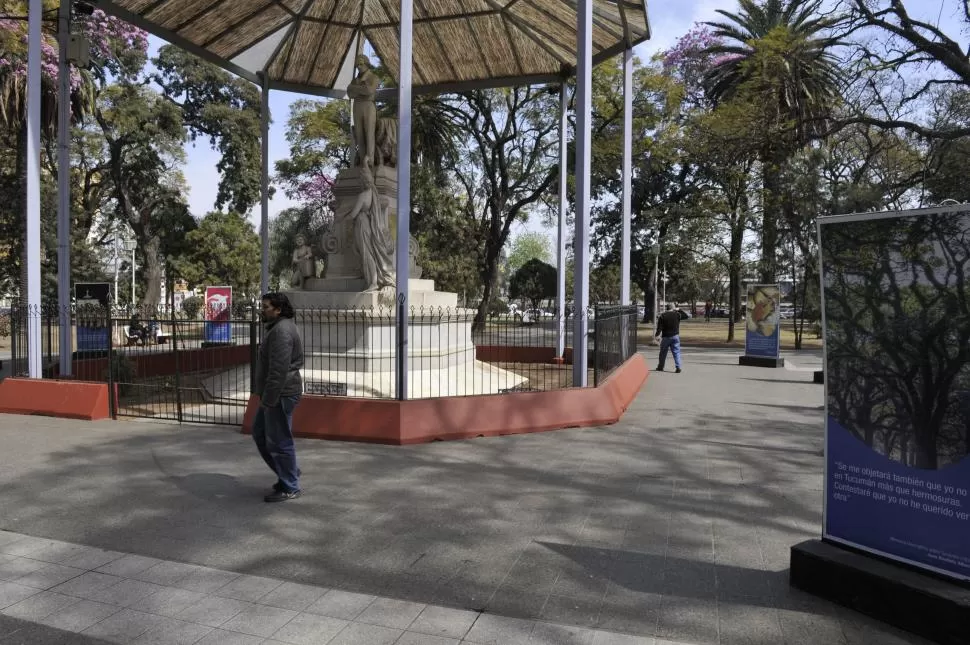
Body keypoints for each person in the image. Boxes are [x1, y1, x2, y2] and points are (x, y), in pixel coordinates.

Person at [252, 292, 305, 502]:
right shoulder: (277, 328)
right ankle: (288, 473)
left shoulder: (282, 331)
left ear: (278, 309)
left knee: (279, 440)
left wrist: (268, 399)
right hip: (275, 394)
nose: (262, 310)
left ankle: (290, 485)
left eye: (265, 307)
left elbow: (278, 370)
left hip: (280, 394)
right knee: (261, 433)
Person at [347, 55, 379, 167]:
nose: (359, 67)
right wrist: (362, 89)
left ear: (366, 63)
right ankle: (362, 160)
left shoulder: (373, 77)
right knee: (359, 134)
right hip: (357, 106)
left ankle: (370, 161)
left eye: (361, 64)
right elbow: (349, 93)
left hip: (368, 106)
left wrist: (356, 89)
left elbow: (369, 91)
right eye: (357, 65)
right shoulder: (354, 80)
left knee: (369, 133)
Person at [654, 303, 682, 373]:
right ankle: (678, 367)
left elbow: (659, 327)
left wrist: (657, 335)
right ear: (673, 308)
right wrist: (679, 310)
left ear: (667, 308)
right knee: (676, 352)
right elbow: (686, 316)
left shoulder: (662, 316)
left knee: (663, 352)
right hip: (675, 336)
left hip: (666, 337)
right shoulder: (677, 315)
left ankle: (661, 366)